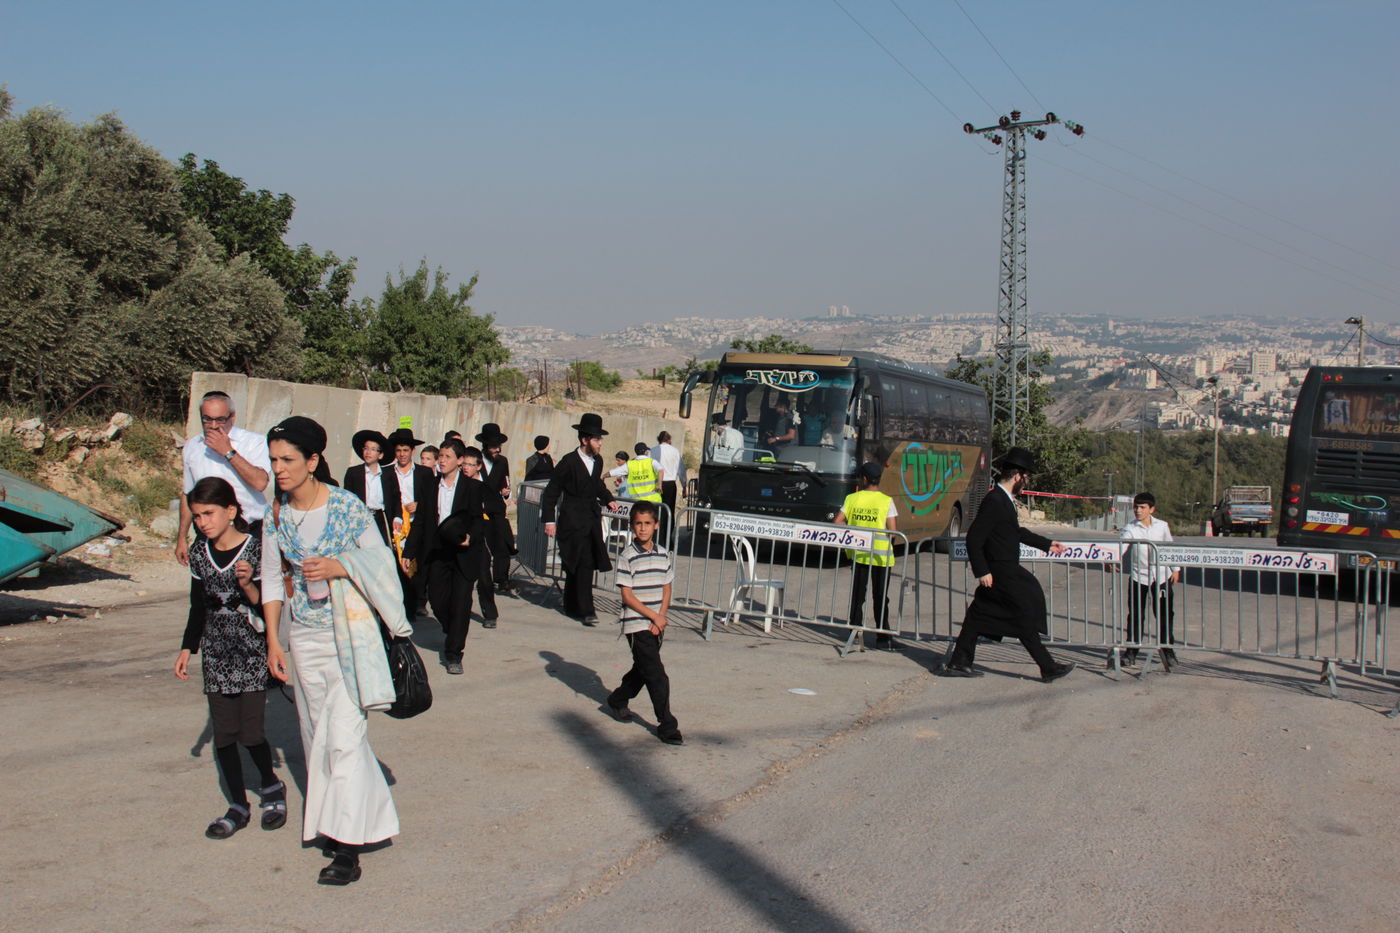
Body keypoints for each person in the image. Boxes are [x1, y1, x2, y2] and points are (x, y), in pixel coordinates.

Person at [260, 416, 413, 886]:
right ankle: (339, 821)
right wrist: (274, 640)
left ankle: (347, 850)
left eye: (287, 459)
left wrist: (340, 565)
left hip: (351, 636)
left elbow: (382, 562)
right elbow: (272, 579)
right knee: (314, 737)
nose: (278, 469)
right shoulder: (276, 514)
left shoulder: (347, 507)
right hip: (303, 639)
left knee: (344, 738)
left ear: (312, 461)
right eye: (273, 460)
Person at [174, 477, 286, 840]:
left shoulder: (256, 548)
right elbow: (197, 605)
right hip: (216, 651)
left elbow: (268, 605)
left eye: (209, 513)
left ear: (231, 511)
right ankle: (238, 804)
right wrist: (188, 648)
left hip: (251, 649)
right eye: (197, 516)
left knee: (250, 732)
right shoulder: (199, 553)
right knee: (224, 735)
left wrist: (248, 584)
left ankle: (271, 787)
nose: (203, 522)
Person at [940, 446, 1076, 683]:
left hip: (1003, 570)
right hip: (1000, 572)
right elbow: (974, 538)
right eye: (1026, 476)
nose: (1026, 481)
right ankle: (1048, 667)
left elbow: (1015, 532)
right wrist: (982, 571)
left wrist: (1046, 544)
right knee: (1025, 609)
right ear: (1017, 476)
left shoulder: (1004, 500)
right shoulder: (994, 500)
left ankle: (959, 662)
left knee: (979, 617)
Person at [403, 438, 494, 674]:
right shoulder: (430, 485)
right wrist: (409, 551)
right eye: (440, 456)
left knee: (461, 603)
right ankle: (451, 627)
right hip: (437, 551)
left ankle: (454, 653)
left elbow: (478, 521)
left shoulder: (472, 487)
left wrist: (470, 537)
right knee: (437, 599)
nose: (442, 461)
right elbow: (420, 521)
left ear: (460, 460)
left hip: (464, 552)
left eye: (447, 457)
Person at [606, 500, 683, 746]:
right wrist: (652, 616)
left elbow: (666, 587)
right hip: (636, 623)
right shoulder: (627, 556)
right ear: (631, 526)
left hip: (656, 623)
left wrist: (661, 616)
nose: (642, 528)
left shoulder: (663, 554)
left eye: (647, 523)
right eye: (638, 524)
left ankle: (618, 699)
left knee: (643, 669)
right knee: (657, 675)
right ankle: (667, 725)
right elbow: (627, 596)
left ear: (656, 525)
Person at [542, 413, 621, 626]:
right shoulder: (568, 462)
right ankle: (572, 605)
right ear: (585, 439)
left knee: (586, 563)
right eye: (597, 439)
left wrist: (608, 498)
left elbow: (597, 485)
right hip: (571, 519)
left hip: (590, 519)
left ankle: (586, 610)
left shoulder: (598, 460)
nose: (600, 443)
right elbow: (551, 491)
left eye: (600, 439)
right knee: (573, 563)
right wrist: (549, 521)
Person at [178, 391, 272, 566]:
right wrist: (182, 537)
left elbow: (260, 482)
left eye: (220, 420)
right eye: (207, 419)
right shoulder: (193, 446)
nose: (213, 426)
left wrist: (228, 452)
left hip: (248, 530)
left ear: (232, 417)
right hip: (208, 532)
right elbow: (188, 493)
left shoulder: (254, 442)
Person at [834, 461, 900, 651]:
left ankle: (854, 632)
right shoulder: (886, 501)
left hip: (859, 554)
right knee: (880, 596)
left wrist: (855, 530)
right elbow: (893, 531)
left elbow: (837, 521)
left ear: (864, 479)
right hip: (881, 556)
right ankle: (882, 637)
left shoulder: (852, 499)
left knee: (858, 595)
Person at [1119, 492, 1182, 669]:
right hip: (1139, 577)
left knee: (1164, 615)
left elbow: (1170, 547)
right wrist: (1113, 558)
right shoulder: (1131, 528)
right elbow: (1121, 544)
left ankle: (1167, 650)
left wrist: (1175, 569)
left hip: (1161, 577)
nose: (1138, 511)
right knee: (1136, 616)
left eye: (1142, 507)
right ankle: (1131, 652)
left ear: (1151, 509)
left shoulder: (1162, 526)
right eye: (1136, 507)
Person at [387, 428, 436, 621]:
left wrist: (419, 505)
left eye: (405, 450)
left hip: (418, 523)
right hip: (397, 527)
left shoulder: (424, 473)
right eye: (398, 450)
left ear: (412, 451)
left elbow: (433, 499)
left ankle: (419, 602)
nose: (402, 454)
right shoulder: (387, 473)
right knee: (398, 565)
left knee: (419, 564)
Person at [459, 445, 503, 629]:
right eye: (464, 464)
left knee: (484, 576)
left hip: (480, 537)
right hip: (459, 536)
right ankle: (459, 611)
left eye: (470, 465)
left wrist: (484, 507)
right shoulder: (457, 483)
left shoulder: (486, 487)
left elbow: (499, 507)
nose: (466, 468)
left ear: (478, 466)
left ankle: (490, 614)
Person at [476, 423, 516, 595]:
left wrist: (506, 492)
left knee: (503, 545)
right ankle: (482, 579)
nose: (497, 449)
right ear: (485, 446)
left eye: (498, 446)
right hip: (480, 510)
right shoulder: (476, 461)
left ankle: (502, 579)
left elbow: (505, 482)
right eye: (493, 446)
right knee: (482, 549)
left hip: (497, 509)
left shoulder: (502, 461)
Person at [341, 430, 401, 546]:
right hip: (361, 518)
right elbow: (347, 498)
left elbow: (396, 498)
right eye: (366, 448)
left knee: (382, 549)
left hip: (381, 518)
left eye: (373, 449)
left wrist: (397, 517)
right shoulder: (354, 473)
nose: (368, 452)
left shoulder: (388, 475)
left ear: (380, 455)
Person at [651, 430, 685, 541]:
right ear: (669, 440)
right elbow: (681, 470)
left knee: (655, 510)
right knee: (668, 511)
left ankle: (655, 537)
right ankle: (667, 539)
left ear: (659, 439)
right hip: (670, 485)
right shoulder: (675, 451)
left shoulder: (653, 450)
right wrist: (684, 485)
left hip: (656, 484)